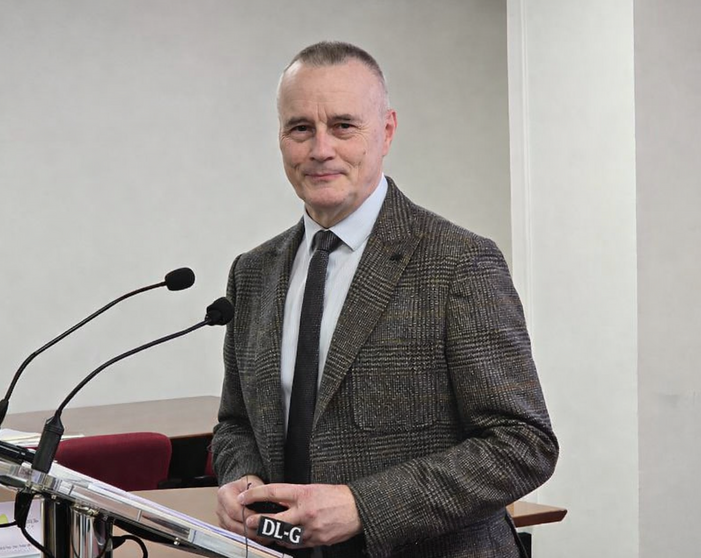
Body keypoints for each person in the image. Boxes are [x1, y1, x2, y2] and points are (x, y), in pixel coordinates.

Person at [211, 40, 558, 558]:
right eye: (300, 127)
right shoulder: (253, 272)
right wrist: (242, 480)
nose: (320, 148)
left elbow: (522, 444)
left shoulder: (458, 262)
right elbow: (236, 424)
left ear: (387, 131)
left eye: (344, 126)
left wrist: (363, 507)